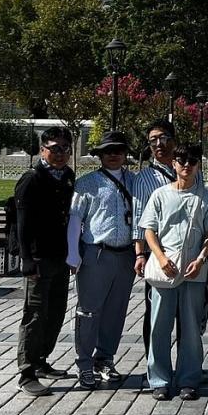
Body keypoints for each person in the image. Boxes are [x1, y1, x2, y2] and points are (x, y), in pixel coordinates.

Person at [140, 144, 208, 401]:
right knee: (159, 327)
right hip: (165, 269)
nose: (187, 165)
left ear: (198, 164)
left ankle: (189, 378)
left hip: (192, 270)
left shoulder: (205, 197)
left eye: (192, 160)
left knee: (190, 329)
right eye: (181, 160)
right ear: (173, 164)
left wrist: (200, 259)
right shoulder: (160, 195)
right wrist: (161, 257)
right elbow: (149, 230)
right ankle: (160, 378)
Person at [70, 130, 138, 390]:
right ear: (99, 155)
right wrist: (72, 253)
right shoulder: (87, 184)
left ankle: (105, 358)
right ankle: (84, 363)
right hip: (96, 253)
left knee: (115, 312)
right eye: (108, 151)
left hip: (125, 254)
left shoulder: (134, 181)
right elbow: (76, 218)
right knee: (89, 311)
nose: (113, 155)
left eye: (118, 150)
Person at [13, 127, 77, 397]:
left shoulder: (68, 178)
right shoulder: (32, 179)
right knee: (35, 314)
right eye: (55, 148)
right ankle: (26, 371)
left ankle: (41, 360)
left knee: (56, 311)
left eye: (65, 149)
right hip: (39, 258)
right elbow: (22, 223)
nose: (60, 154)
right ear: (42, 150)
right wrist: (26, 259)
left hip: (60, 256)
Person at [133, 120, 178, 351]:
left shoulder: (190, 172)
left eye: (163, 138)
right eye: (153, 140)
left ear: (173, 140)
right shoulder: (144, 178)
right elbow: (140, 219)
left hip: (186, 252)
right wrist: (140, 253)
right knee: (156, 312)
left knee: (186, 315)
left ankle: (186, 367)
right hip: (157, 253)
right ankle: (155, 365)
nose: (159, 144)